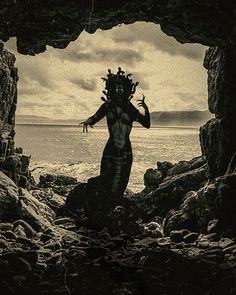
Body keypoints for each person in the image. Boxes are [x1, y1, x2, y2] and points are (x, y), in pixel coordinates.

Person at [80, 68, 150, 200]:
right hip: (110, 149)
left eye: (121, 88)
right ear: (111, 89)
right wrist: (88, 121)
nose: (119, 91)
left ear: (127, 90)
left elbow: (146, 124)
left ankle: (116, 205)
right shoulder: (107, 106)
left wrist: (146, 110)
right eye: (116, 88)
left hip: (125, 151)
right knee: (105, 179)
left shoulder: (129, 108)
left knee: (121, 182)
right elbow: (96, 116)